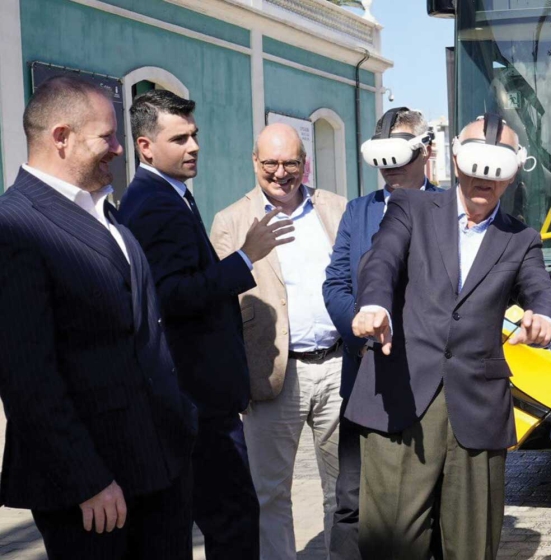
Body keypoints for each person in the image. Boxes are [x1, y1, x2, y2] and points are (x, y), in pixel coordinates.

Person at [0, 76, 197, 559]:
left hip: (157, 468)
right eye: (106, 137)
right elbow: (28, 378)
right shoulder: (16, 225)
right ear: (61, 137)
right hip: (93, 490)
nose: (118, 148)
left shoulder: (106, 212)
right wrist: (87, 479)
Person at [348, 114, 551, 560]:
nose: (483, 181)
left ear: (513, 173)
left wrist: (544, 317)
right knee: (392, 543)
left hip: (476, 408)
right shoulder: (411, 207)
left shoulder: (520, 238)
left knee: (471, 547)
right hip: (401, 396)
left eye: (496, 171)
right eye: (475, 166)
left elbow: (541, 288)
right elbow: (381, 259)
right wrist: (375, 304)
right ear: (455, 160)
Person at [118, 90, 293, 560]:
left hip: (199, 398)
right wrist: (244, 257)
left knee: (229, 519)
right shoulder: (155, 203)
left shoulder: (168, 194)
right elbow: (171, 295)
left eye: (194, 135)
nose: (193, 146)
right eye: (179, 138)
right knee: (234, 522)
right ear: (145, 146)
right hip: (196, 401)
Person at [210, 123, 347, 559]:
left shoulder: (337, 209)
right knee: (269, 496)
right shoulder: (230, 221)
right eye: (270, 162)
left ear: (305, 163)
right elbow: (217, 304)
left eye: (291, 162)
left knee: (345, 490)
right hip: (270, 376)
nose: (281, 172)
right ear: (255, 162)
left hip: (339, 366)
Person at [321, 107, 441, 560]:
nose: (390, 173)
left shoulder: (450, 210)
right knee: (352, 499)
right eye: (382, 163)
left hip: (430, 384)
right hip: (365, 377)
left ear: (426, 152)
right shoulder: (359, 213)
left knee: (426, 501)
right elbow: (335, 284)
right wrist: (364, 333)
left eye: (400, 161)